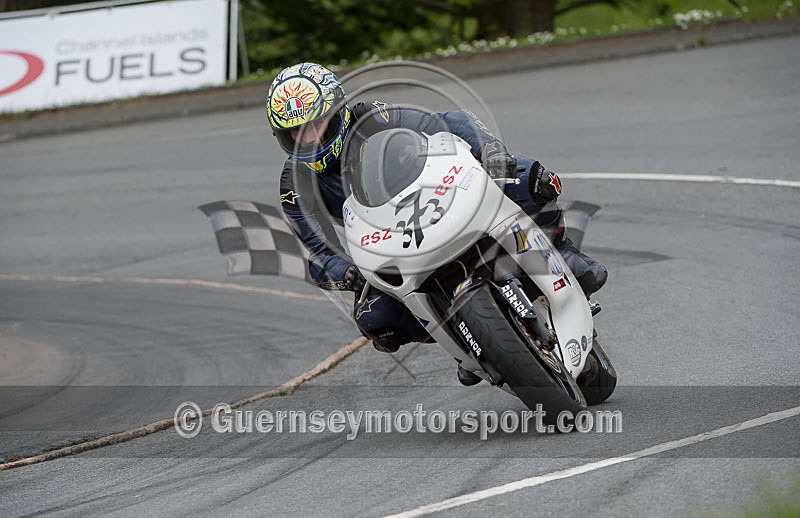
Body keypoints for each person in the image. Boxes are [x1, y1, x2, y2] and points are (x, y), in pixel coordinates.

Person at [267, 63, 607, 383]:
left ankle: (564, 253)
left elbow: (450, 121)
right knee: (376, 322)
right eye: (295, 134)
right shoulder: (293, 185)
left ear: (337, 111)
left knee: (530, 177)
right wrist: (343, 272)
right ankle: (465, 345)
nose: (308, 139)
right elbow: (315, 249)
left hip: (437, 193)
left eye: (316, 126)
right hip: (385, 237)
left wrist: (489, 150)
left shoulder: (374, 117)